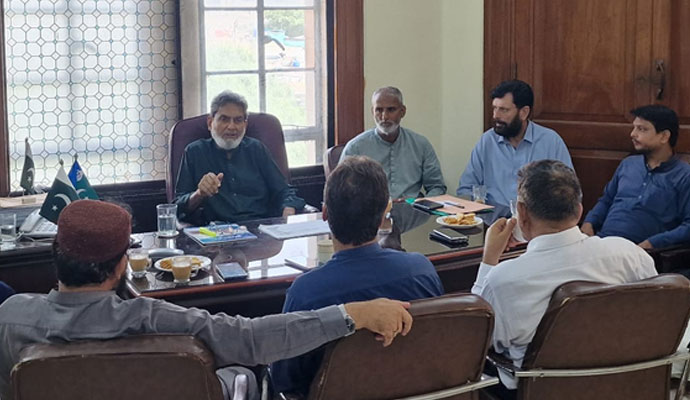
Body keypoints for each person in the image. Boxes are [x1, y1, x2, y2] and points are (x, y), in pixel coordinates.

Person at [0, 200, 414, 400]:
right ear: (121, 266)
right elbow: (254, 341)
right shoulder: (154, 318)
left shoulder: (10, 317)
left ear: (55, 259)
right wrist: (350, 315)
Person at [471, 160, 657, 398]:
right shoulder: (630, 254)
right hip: (620, 386)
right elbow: (651, 316)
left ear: (522, 213)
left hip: (539, 392)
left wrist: (489, 260)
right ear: (579, 210)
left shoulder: (504, 280)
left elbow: (474, 340)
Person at [271, 156, 444, 396]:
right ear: (386, 211)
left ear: (324, 213)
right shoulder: (421, 271)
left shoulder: (305, 293)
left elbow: (285, 383)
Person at [175, 91, 305, 224]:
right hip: (217, 235)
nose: (232, 127)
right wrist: (199, 194)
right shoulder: (195, 152)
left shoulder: (256, 149)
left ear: (245, 125)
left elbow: (283, 191)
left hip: (261, 231)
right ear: (210, 123)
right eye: (224, 119)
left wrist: (288, 211)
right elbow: (177, 208)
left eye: (238, 120)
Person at [582, 105, 690, 249]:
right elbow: (606, 200)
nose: (633, 134)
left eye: (642, 129)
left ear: (664, 136)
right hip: (602, 244)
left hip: (644, 253)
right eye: (634, 128)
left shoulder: (686, 176)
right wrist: (589, 223)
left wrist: (653, 243)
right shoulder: (628, 164)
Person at [457, 80, 572, 211]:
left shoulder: (551, 142)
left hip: (538, 224)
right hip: (492, 222)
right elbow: (465, 189)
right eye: (494, 108)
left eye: (503, 110)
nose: (496, 116)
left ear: (524, 112)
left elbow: (569, 192)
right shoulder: (487, 141)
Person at [340, 87, 446, 200]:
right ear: (372, 112)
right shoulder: (356, 148)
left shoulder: (421, 145)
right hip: (371, 214)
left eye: (391, 110)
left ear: (402, 112)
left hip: (413, 211)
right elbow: (342, 191)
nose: (384, 117)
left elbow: (437, 187)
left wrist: (420, 202)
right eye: (379, 110)